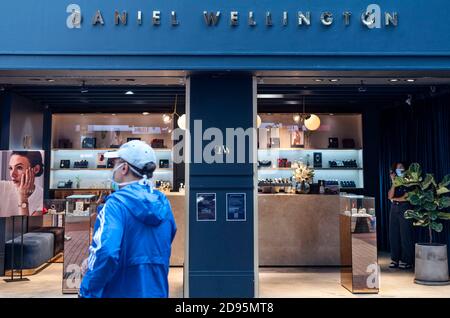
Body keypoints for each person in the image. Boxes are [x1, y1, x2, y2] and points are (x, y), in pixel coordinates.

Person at [79, 140, 177, 298]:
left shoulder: (114, 205)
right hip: (157, 291)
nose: (113, 169)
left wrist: (87, 290)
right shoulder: (163, 204)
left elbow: (106, 252)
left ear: (124, 168)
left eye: (115, 164)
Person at [388, 162, 415, 269]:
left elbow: (407, 197)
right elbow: (389, 195)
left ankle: (407, 260)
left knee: (405, 234)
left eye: (401, 167)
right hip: (394, 208)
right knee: (393, 234)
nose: (400, 169)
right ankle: (395, 259)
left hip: (405, 207)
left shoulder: (409, 181)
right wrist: (393, 183)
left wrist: (394, 199)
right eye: (398, 168)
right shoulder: (395, 181)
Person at [0, 151, 44, 217]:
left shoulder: (42, 197)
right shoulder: (2, 187)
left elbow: (26, 226)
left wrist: (23, 197)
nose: (12, 174)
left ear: (36, 169)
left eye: (19, 167)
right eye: (10, 168)